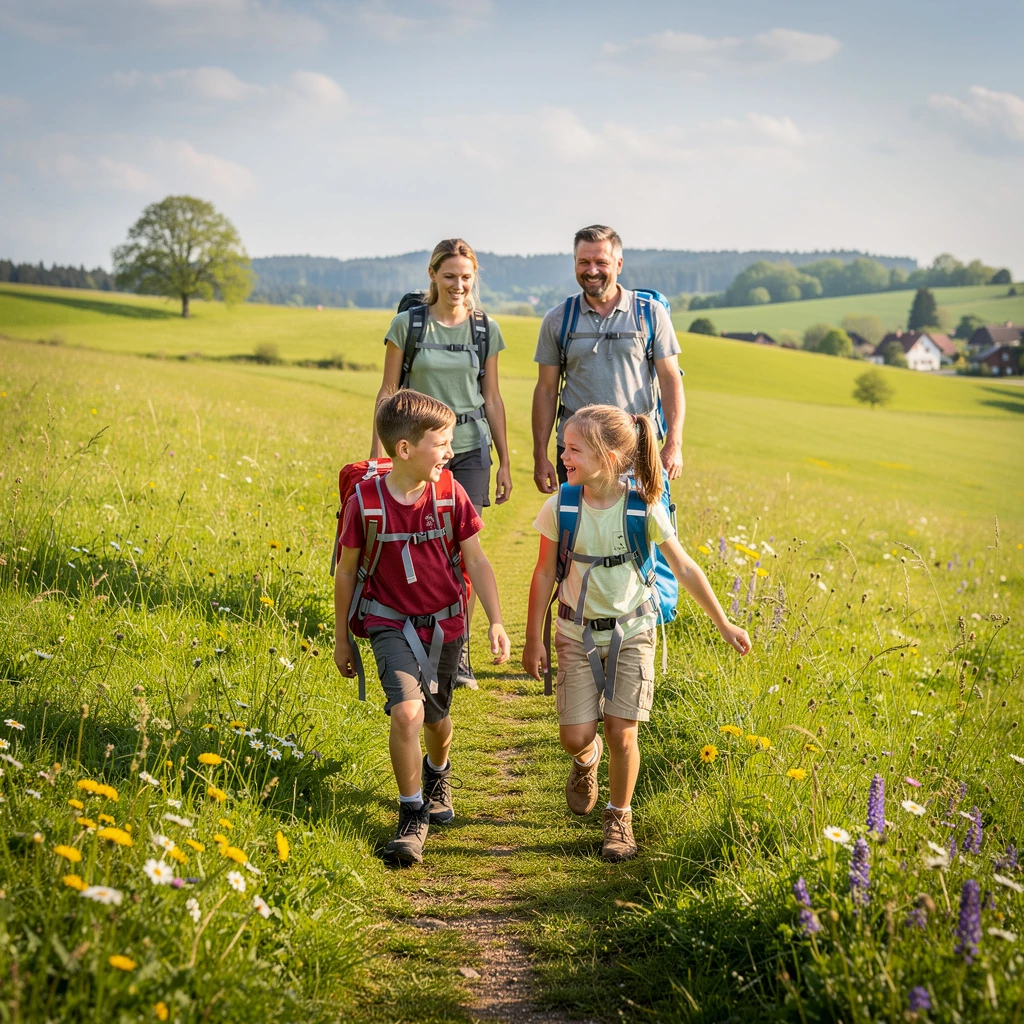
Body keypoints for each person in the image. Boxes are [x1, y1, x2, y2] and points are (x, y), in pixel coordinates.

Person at [521, 405, 750, 861]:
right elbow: (545, 573)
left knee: (623, 731)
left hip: (634, 631)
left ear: (608, 455)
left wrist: (724, 622)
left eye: (572, 449)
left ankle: (619, 818)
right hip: (573, 631)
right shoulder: (560, 506)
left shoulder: (642, 506)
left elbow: (683, 566)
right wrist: (534, 638)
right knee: (574, 735)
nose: (562, 456)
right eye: (563, 446)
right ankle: (586, 758)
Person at [335, 390, 511, 865]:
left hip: (444, 624)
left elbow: (475, 558)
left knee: (436, 720)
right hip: (388, 620)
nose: (450, 452)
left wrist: (495, 620)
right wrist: (342, 637)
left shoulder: (450, 492)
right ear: (405, 449)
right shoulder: (364, 502)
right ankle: (411, 813)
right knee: (407, 714)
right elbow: (346, 571)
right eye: (442, 443)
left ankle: (438, 772)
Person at [371, 238, 512, 689]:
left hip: (470, 449)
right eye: (449, 276)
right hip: (418, 451)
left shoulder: (486, 329)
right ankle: (411, 637)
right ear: (433, 274)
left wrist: (505, 460)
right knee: (419, 547)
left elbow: (491, 396)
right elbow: (388, 393)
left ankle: (459, 651)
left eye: (466, 277)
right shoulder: (407, 325)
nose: (458, 285)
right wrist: (377, 457)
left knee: (461, 550)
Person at [532, 225, 685, 494]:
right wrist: (539, 455)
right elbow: (546, 390)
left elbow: (671, 380)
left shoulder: (650, 313)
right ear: (575, 264)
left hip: (637, 448)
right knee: (576, 530)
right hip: (575, 450)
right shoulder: (557, 319)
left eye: (601, 262)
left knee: (639, 531)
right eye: (584, 262)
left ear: (619, 263)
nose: (592, 270)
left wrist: (674, 443)